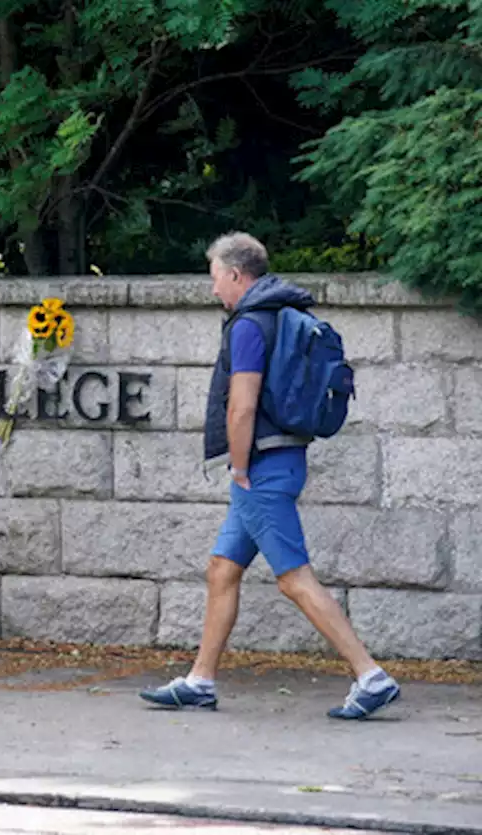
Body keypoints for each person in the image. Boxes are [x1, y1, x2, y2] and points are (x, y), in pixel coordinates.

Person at [138, 232, 400, 720]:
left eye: (216, 278)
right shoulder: (283, 314)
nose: (214, 289)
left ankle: (371, 676)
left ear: (236, 275)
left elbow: (242, 406)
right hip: (280, 459)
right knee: (223, 568)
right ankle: (200, 680)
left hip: (259, 468)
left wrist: (238, 467)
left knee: (294, 577)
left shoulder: (249, 326)